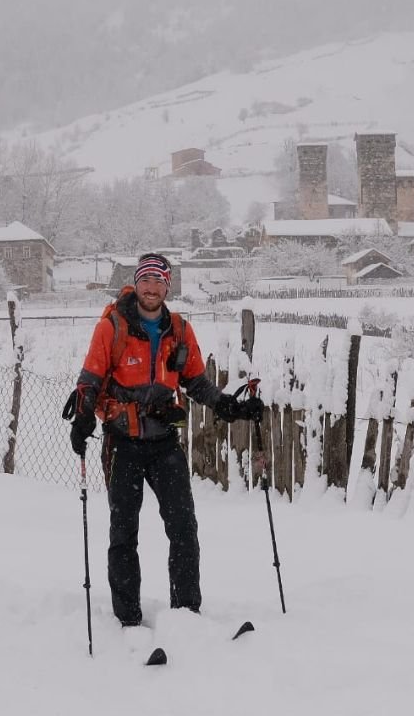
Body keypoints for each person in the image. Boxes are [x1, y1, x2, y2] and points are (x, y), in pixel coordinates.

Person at [66, 253, 263, 627]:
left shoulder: (180, 330)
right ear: (136, 284)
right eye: (146, 280)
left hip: (164, 443)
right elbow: (89, 379)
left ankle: (186, 614)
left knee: (183, 527)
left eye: (159, 281)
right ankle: (128, 619)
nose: (152, 287)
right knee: (124, 532)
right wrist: (83, 417)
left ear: (167, 287)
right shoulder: (112, 326)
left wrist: (227, 405)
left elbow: (196, 382)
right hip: (122, 442)